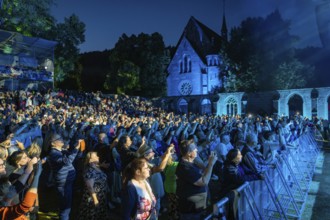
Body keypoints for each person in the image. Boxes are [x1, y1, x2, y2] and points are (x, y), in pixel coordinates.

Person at [175, 139, 217, 220]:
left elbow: (204, 173)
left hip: (197, 208)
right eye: (195, 149)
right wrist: (211, 164)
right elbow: (204, 182)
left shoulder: (192, 163)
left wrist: (209, 163)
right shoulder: (185, 167)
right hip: (190, 211)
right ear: (189, 153)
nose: (197, 150)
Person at [48, 133, 83, 220]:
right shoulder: (53, 153)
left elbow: (75, 157)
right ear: (53, 143)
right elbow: (67, 161)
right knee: (65, 209)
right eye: (59, 139)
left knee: (65, 205)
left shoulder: (61, 151)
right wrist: (76, 149)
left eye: (61, 138)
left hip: (67, 182)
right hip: (63, 185)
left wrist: (79, 149)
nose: (62, 140)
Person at [78, 152, 110, 220]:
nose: (98, 157)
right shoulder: (89, 170)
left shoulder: (95, 166)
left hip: (100, 196)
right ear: (90, 160)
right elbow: (90, 187)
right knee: (92, 215)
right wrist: (95, 200)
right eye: (95, 156)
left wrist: (101, 165)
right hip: (93, 198)